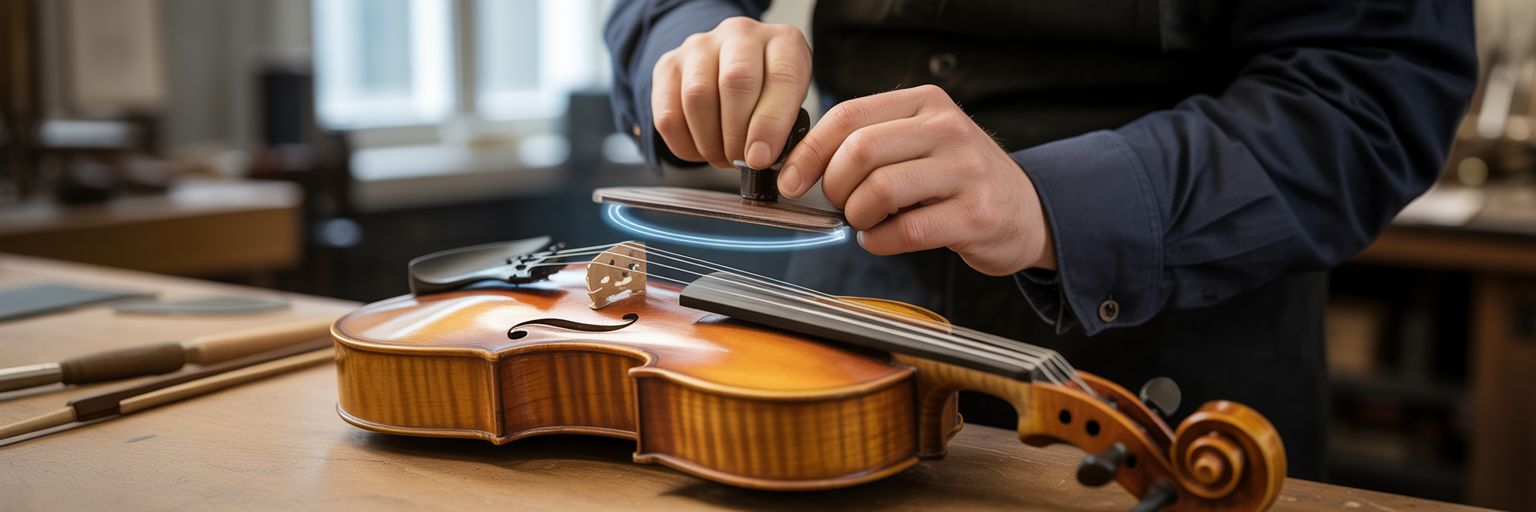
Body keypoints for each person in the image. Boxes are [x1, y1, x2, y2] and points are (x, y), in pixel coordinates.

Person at [605, 0, 1477, 480]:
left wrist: (1053, 202)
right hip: (835, 353)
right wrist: (690, 42)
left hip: (1167, 381)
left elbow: (1375, 93)